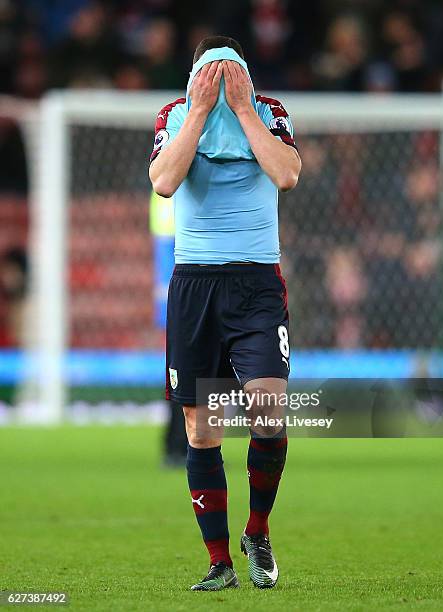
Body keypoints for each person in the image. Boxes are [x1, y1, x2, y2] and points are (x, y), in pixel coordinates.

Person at [149, 35, 301, 591]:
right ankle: (220, 563)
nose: (215, 80)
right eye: (205, 75)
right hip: (195, 285)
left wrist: (239, 108)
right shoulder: (173, 116)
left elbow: (286, 174)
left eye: (226, 73)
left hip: (257, 282)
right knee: (201, 428)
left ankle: (257, 531)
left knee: (268, 409)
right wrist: (201, 111)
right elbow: (165, 182)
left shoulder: (269, 113)